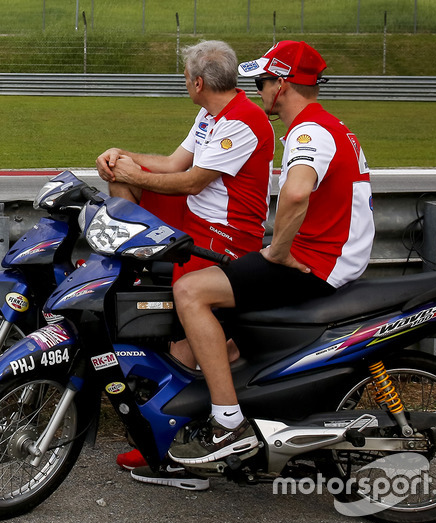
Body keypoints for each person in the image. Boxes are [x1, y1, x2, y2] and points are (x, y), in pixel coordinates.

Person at [167, 41, 374, 466]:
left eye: (262, 80)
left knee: (191, 291)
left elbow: (296, 194)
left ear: (282, 84)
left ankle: (228, 425)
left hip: (317, 261)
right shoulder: (329, 125)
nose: (258, 88)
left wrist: (277, 252)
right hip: (327, 255)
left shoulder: (308, 130)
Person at [96, 40, 275, 489]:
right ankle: (140, 288)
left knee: (180, 347)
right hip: (199, 219)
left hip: (227, 238)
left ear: (197, 82)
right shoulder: (212, 113)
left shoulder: (243, 121)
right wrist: (123, 158)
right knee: (125, 190)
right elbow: (174, 164)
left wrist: (130, 173)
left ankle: (194, 441)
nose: (184, 83)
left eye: (184, 77)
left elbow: (189, 180)